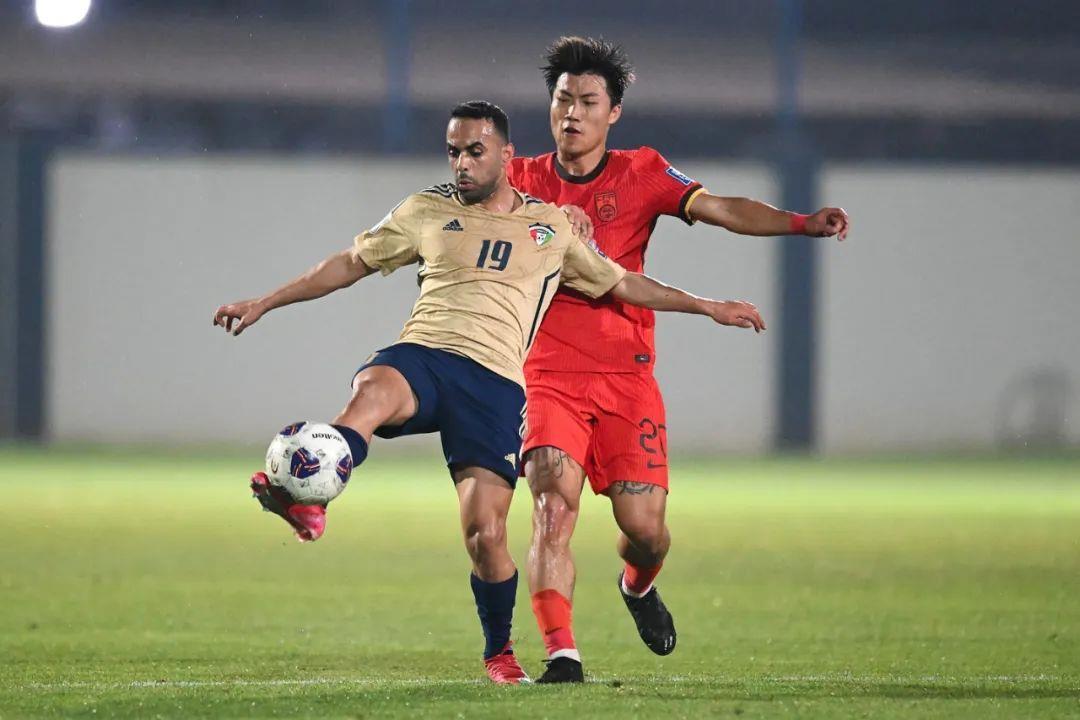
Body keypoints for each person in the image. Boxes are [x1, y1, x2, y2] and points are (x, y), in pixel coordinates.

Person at [213, 100, 766, 685]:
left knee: (486, 534)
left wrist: (706, 306)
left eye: (475, 151)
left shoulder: (549, 228)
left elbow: (621, 282)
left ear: (507, 155)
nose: (462, 163)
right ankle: (310, 498)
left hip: (496, 385)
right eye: (453, 151)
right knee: (371, 393)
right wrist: (264, 302)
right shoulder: (425, 209)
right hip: (426, 355)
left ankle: (500, 652)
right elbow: (350, 262)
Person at [506, 37, 851, 683]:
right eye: (562, 100)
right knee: (552, 503)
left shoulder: (641, 172)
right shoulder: (518, 182)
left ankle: (636, 584)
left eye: (588, 101)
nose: (572, 113)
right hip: (547, 374)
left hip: (626, 375)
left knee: (647, 529)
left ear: (614, 112)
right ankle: (562, 655)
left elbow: (720, 208)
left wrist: (801, 223)